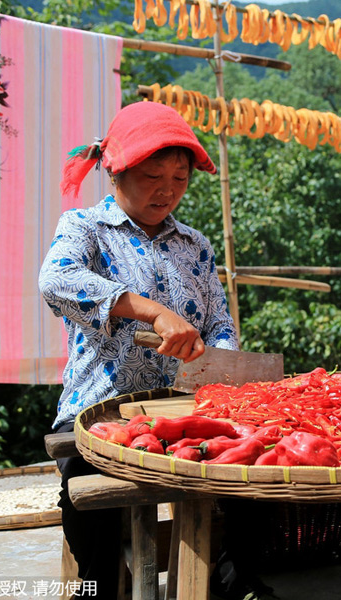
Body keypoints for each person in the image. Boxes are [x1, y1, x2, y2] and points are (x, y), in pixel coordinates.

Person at [39, 101, 241, 598]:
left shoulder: (194, 245)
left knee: (246, 495)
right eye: (153, 175)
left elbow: (218, 322)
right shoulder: (84, 229)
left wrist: (217, 359)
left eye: (179, 177)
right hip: (99, 415)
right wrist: (151, 310)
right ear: (116, 172)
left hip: (186, 414)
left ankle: (233, 585)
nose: (167, 189)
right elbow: (56, 280)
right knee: (94, 523)